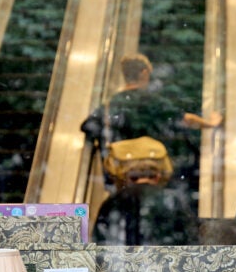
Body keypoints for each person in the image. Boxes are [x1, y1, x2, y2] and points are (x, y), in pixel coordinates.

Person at [81, 53, 222, 193]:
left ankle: (67, 215)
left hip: (121, 174)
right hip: (149, 173)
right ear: (144, 73)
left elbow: (88, 127)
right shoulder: (152, 101)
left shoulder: (109, 105)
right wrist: (211, 123)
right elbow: (185, 119)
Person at [92, 158, 200, 245]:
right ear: (158, 176)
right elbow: (189, 240)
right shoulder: (172, 200)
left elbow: (101, 243)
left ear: (125, 177)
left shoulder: (112, 202)